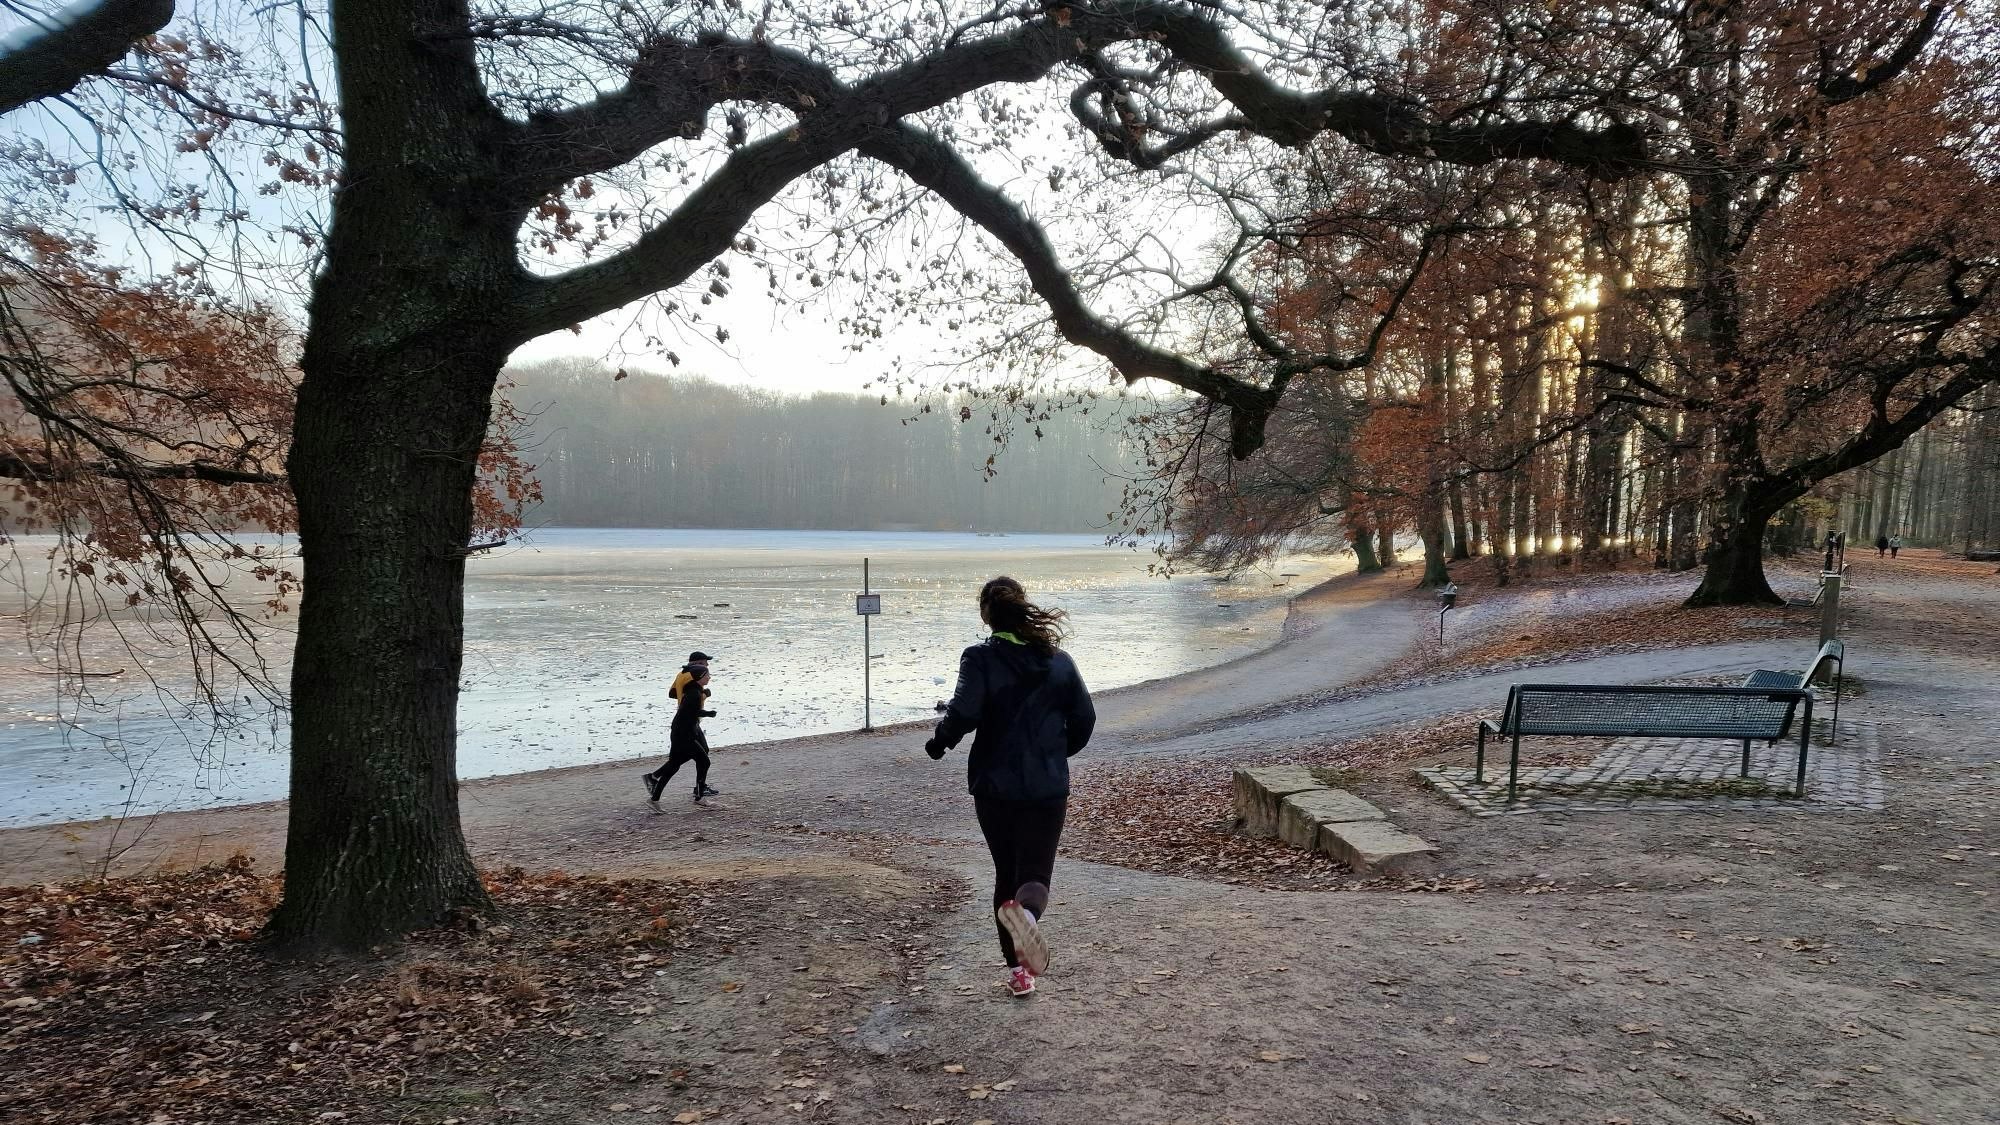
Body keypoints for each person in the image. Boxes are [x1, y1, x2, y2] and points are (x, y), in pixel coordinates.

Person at [925, 576, 1096, 998]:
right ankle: (1030, 921)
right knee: (1034, 875)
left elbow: (963, 712)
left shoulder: (980, 658)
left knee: (1006, 873)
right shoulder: (1059, 661)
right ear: (1023, 608)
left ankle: (1019, 975)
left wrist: (939, 741)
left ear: (986, 614)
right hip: (1046, 787)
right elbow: (1085, 719)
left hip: (995, 787)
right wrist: (1055, 754)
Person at [644, 662, 720, 807]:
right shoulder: (694, 693)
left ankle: (654, 798)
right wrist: (709, 714)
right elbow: (690, 713)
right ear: (700, 677)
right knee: (704, 762)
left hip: (680, 732)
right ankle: (699, 797)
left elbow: (687, 712)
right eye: (707, 675)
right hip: (684, 734)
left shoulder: (694, 691)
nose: (709, 677)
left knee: (674, 765)